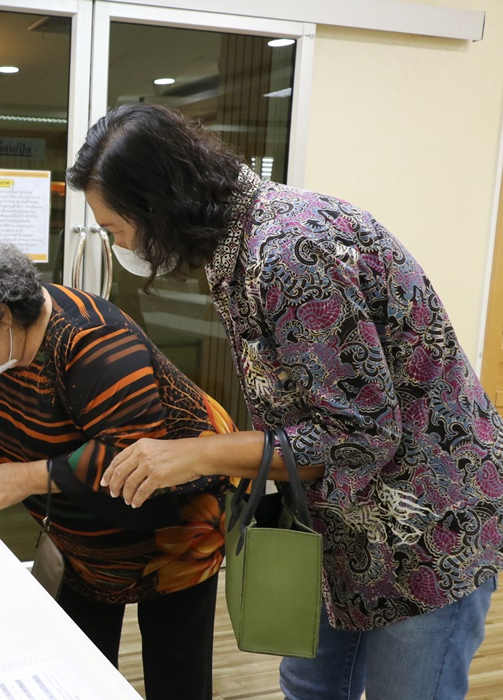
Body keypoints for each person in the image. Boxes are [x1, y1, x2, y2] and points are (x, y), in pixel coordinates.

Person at [67, 102, 503, 700]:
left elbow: (357, 437)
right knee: (309, 685)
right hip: (341, 519)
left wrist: (200, 454)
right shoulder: (239, 245)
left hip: (428, 520)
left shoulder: (290, 252)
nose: (118, 243)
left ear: (158, 206)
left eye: (116, 228)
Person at [0, 235, 235, 700]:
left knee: (175, 663)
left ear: (2, 315)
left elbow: (130, 453)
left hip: (173, 520)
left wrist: (26, 478)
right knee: (78, 661)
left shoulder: (92, 340)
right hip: (78, 534)